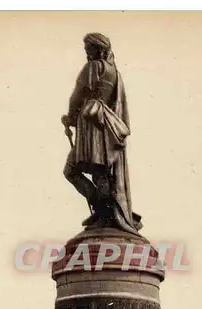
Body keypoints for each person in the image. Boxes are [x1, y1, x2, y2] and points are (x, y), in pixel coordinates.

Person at [61, 32, 142, 233]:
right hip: (106, 126)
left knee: (71, 171)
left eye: (89, 48)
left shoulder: (93, 67)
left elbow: (77, 95)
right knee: (102, 172)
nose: (87, 52)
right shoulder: (115, 73)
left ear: (98, 49)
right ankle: (106, 211)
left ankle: (102, 209)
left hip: (91, 125)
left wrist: (69, 117)